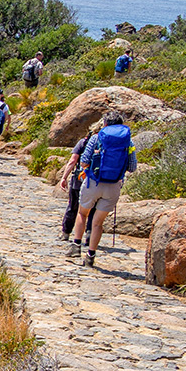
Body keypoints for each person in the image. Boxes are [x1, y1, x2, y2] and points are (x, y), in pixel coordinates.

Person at [71, 111, 136, 268]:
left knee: (82, 213)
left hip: (93, 183)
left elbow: (84, 161)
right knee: (98, 223)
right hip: (113, 186)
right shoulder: (129, 143)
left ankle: (76, 246)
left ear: (105, 124)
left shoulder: (96, 138)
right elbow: (132, 167)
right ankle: (91, 255)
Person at [59, 121, 101, 248]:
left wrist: (64, 177)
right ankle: (89, 235)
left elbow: (73, 161)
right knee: (93, 209)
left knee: (74, 207)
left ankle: (66, 232)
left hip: (79, 178)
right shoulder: (106, 145)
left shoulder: (84, 142)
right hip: (97, 180)